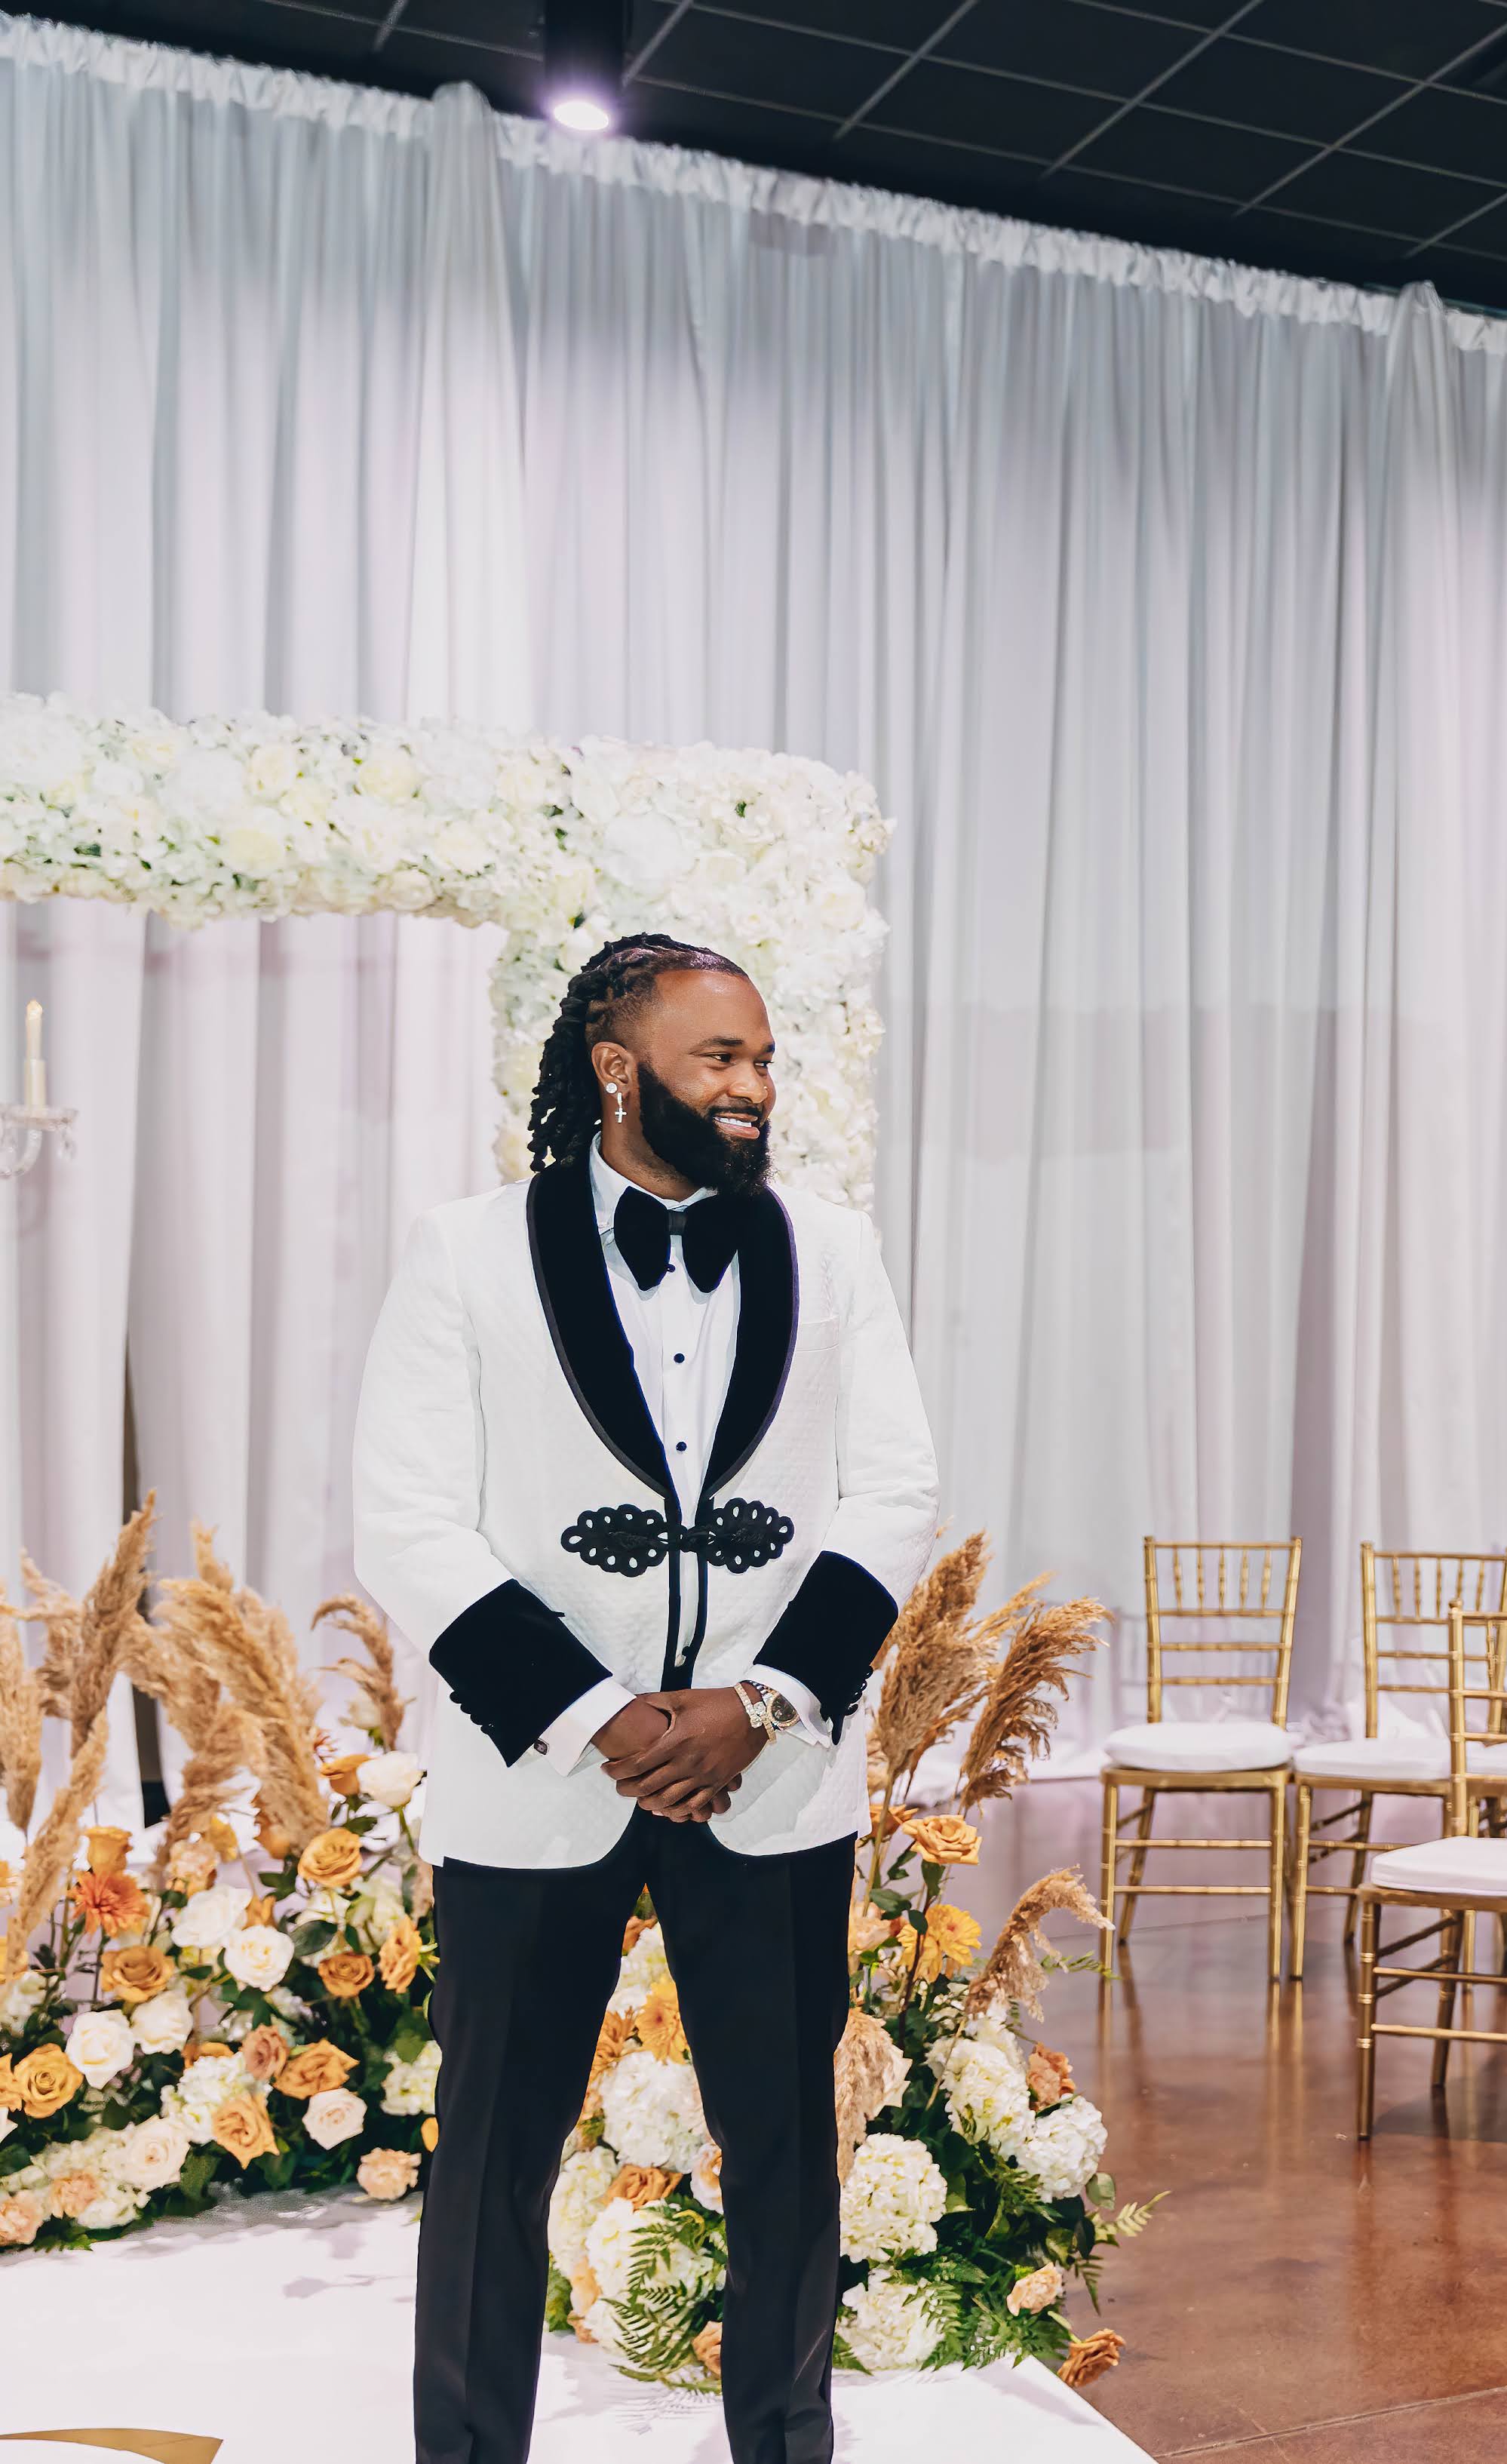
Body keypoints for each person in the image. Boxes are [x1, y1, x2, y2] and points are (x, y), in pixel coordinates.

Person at [355, 935, 940, 2464]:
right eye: (718, 1060)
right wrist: (601, 1712)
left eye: (760, 1062)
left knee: (787, 2159)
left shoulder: (837, 1249)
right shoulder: (466, 1250)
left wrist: (766, 1698)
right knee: (490, 2159)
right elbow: (407, 1519)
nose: (752, 1089)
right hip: (538, 1778)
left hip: (773, 1775)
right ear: (619, 1070)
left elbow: (894, 1492)